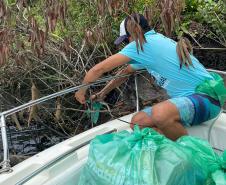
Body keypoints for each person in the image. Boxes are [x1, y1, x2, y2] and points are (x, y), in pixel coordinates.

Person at [75, 13, 224, 141]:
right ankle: (177, 148)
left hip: (206, 99)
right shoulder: (153, 43)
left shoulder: (143, 44)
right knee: (138, 122)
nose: (126, 44)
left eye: (126, 40)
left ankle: (193, 153)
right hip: (196, 102)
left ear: (134, 33)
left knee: (160, 114)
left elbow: (98, 69)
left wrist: (81, 91)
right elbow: (125, 72)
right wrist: (102, 93)